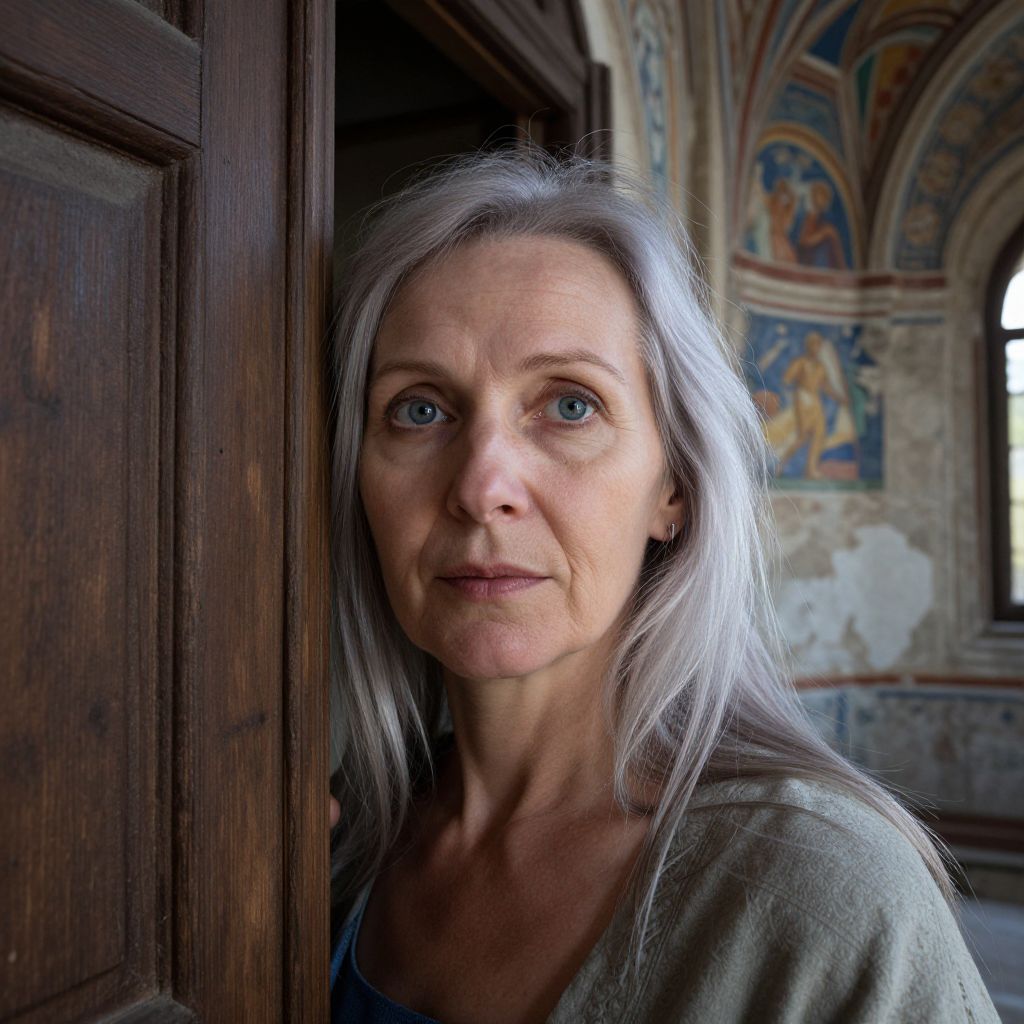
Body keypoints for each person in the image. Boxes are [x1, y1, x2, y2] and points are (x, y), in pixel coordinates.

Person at [325, 145, 999, 1023]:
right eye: (419, 409)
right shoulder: (334, 846)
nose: (482, 487)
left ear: (672, 487)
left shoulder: (828, 901)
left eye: (570, 405)